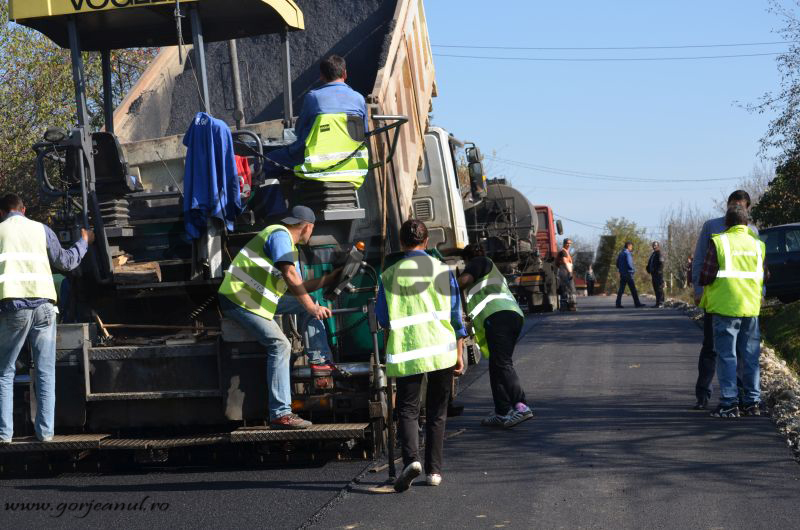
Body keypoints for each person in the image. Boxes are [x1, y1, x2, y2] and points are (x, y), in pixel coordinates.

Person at [217, 205, 343, 429]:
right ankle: (281, 413)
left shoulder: (286, 244)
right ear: (308, 227)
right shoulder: (280, 235)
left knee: (308, 302)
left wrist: (329, 279)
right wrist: (313, 308)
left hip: (255, 300)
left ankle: (320, 363)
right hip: (240, 299)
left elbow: (299, 287)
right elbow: (290, 274)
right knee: (280, 345)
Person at [376, 219, 466, 492]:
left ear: (401, 244)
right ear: (426, 242)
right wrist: (459, 353)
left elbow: (382, 318)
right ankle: (434, 472)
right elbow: (455, 316)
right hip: (442, 350)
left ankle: (412, 462)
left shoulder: (389, 275)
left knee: (408, 410)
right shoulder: (442, 270)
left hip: (408, 352)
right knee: (438, 412)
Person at [0, 193, 94, 443]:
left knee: (4, 372)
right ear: (24, 209)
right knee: (45, 371)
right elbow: (66, 261)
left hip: (13, 308)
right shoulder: (41, 230)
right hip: (45, 308)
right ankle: (45, 433)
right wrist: (83, 242)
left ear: (2, 213)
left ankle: (4, 435)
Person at [691, 190, 758, 410]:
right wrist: (698, 289)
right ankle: (704, 394)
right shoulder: (712, 228)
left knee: (739, 352)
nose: (736, 208)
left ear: (747, 208)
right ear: (727, 205)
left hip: (744, 301)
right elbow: (700, 260)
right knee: (712, 348)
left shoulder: (753, 234)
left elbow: (759, 267)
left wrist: (762, 291)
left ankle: (735, 397)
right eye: (733, 204)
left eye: (740, 205)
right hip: (718, 300)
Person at [264, 55, 369, 187]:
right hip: (353, 166)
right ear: (345, 73)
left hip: (316, 164)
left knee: (267, 162)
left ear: (322, 76)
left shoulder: (313, 98)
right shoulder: (359, 98)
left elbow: (300, 131)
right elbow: (364, 133)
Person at [458, 244, 533, 429]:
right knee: (496, 365)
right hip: (508, 317)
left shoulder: (479, 261)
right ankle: (502, 411)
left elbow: (462, 281)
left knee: (502, 363)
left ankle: (521, 406)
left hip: (500, 317)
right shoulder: (488, 272)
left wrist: (444, 283)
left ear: (467, 259)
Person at [615, 242, 644, 308]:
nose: (632, 248)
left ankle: (618, 303)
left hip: (622, 274)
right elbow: (629, 263)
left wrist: (621, 270)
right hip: (628, 274)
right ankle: (637, 303)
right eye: (631, 247)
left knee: (621, 289)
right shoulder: (627, 253)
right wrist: (633, 270)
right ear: (628, 246)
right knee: (633, 289)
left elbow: (617, 264)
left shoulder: (621, 253)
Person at [556, 238, 577, 311]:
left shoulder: (564, 251)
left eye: (570, 243)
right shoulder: (563, 252)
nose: (569, 245)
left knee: (564, 289)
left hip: (563, 271)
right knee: (571, 289)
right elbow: (565, 262)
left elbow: (558, 263)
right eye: (567, 243)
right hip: (566, 272)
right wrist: (570, 272)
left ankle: (564, 306)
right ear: (564, 243)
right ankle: (571, 306)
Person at [646, 241, 665, 307]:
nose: (654, 246)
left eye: (655, 245)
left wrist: (658, 271)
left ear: (658, 246)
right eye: (653, 245)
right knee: (656, 288)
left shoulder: (659, 253)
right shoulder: (653, 253)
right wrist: (648, 268)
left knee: (659, 288)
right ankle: (657, 303)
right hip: (653, 274)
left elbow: (661, 263)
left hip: (658, 274)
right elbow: (650, 263)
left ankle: (661, 303)